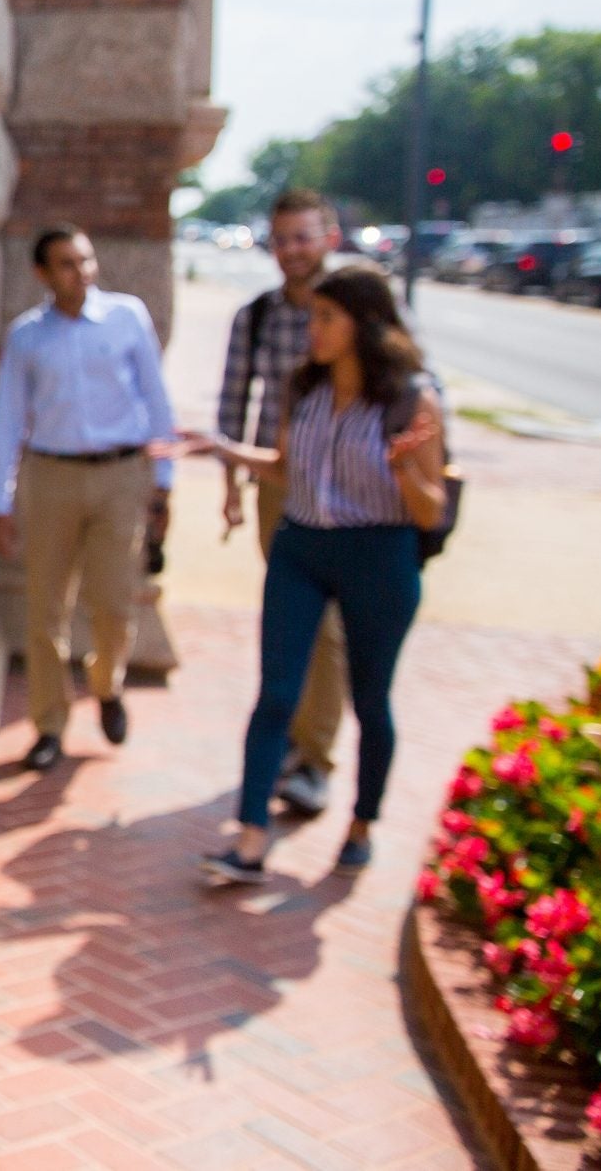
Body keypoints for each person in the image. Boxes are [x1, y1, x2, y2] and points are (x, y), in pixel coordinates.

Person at [173, 264, 448, 882]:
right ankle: (248, 840)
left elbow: (431, 509)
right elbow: (286, 467)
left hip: (378, 556)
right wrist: (221, 448)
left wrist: (404, 468)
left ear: (364, 324)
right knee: (276, 695)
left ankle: (361, 824)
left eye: (326, 318)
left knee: (370, 700)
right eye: (311, 317)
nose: (311, 330)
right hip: (301, 548)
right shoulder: (305, 389)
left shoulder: (410, 400)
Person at [0, 225, 176, 773]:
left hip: (119, 476)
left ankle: (106, 682)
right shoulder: (26, 337)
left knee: (115, 603)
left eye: (86, 260)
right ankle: (49, 725)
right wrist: (2, 501)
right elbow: (6, 421)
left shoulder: (126, 318)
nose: (81, 272)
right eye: (67, 264)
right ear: (42, 274)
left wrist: (164, 482)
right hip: (50, 476)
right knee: (46, 607)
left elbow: (156, 398)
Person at [215, 189, 345, 818]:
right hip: (278, 483)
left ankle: (316, 759)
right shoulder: (258, 316)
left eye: (304, 236)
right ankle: (297, 745)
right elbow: (233, 401)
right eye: (283, 238)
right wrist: (228, 486)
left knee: (331, 625)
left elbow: (414, 381)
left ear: (330, 237)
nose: (293, 249)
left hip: (350, 491)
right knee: (296, 619)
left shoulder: (359, 308)